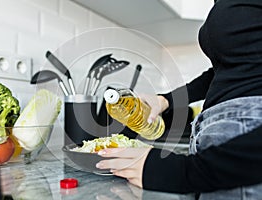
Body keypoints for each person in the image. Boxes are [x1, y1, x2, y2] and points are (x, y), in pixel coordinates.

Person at [95, 0, 262, 199]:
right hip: (219, 156)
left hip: (241, 155)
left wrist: (181, 172)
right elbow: (223, 71)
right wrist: (165, 100)